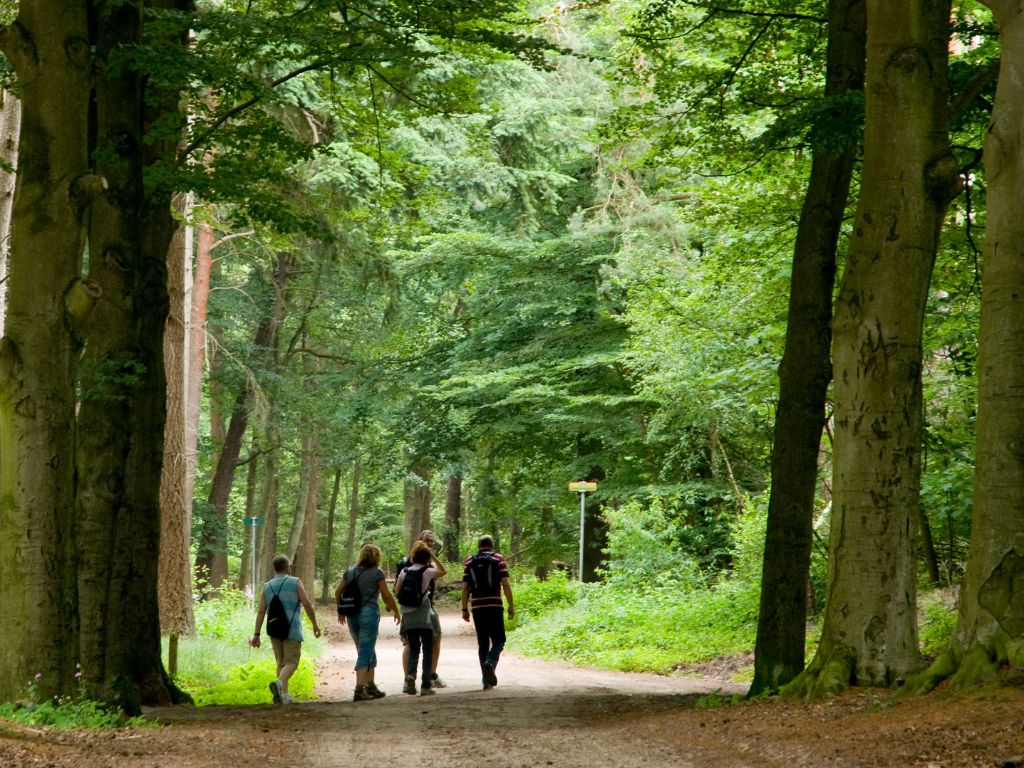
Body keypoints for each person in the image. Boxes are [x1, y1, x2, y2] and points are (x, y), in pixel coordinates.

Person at [251, 554, 321, 705]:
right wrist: (315, 624)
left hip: (274, 629)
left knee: (280, 663)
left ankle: (284, 696)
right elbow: (307, 604)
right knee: (292, 662)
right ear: (288, 567)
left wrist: (256, 634)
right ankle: (279, 684)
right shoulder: (295, 582)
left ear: (274, 568)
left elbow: (261, 611)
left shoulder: (267, 586)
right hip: (291, 629)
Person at [335, 542, 399, 701]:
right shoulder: (377, 573)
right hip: (368, 614)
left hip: (352, 615)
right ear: (376, 557)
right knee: (365, 651)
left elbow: (338, 592)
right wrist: (396, 610)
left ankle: (371, 686)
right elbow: (386, 595)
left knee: (366, 649)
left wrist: (341, 610)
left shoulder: (349, 572)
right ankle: (359, 690)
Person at [461, 535, 514, 690]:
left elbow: (465, 587)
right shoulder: (498, 558)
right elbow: (505, 583)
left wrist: (464, 609)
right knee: (499, 640)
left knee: (483, 642)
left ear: (479, 546)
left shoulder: (469, 561)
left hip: (477, 607)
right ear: (492, 545)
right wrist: (511, 605)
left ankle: (486, 680)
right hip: (494, 605)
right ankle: (490, 663)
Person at [395, 530, 447, 689]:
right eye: (427, 541)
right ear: (420, 541)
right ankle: (427, 679)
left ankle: (412, 678)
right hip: (425, 609)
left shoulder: (405, 567)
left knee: (412, 644)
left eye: (432, 541)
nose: (430, 544)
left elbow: (396, 590)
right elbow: (443, 572)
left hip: (409, 610)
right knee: (429, 641)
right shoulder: (428, 567)